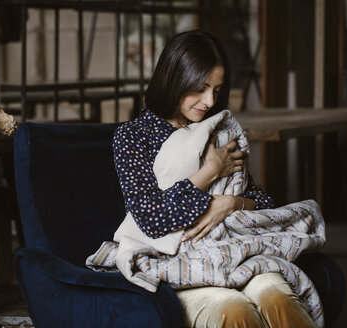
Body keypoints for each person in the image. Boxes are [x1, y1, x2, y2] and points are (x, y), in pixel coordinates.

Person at [112, 30, 317, 328]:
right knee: (232, 308)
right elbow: (151, 217)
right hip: (180, 263)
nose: (209, 101)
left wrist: (231, 203)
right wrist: (210, 172)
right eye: (200, 88)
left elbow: (264, 202)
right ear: (175, 79)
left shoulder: (218, 129)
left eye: (217, 90)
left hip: (237, 250)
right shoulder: (134, 136)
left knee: (277, 296)